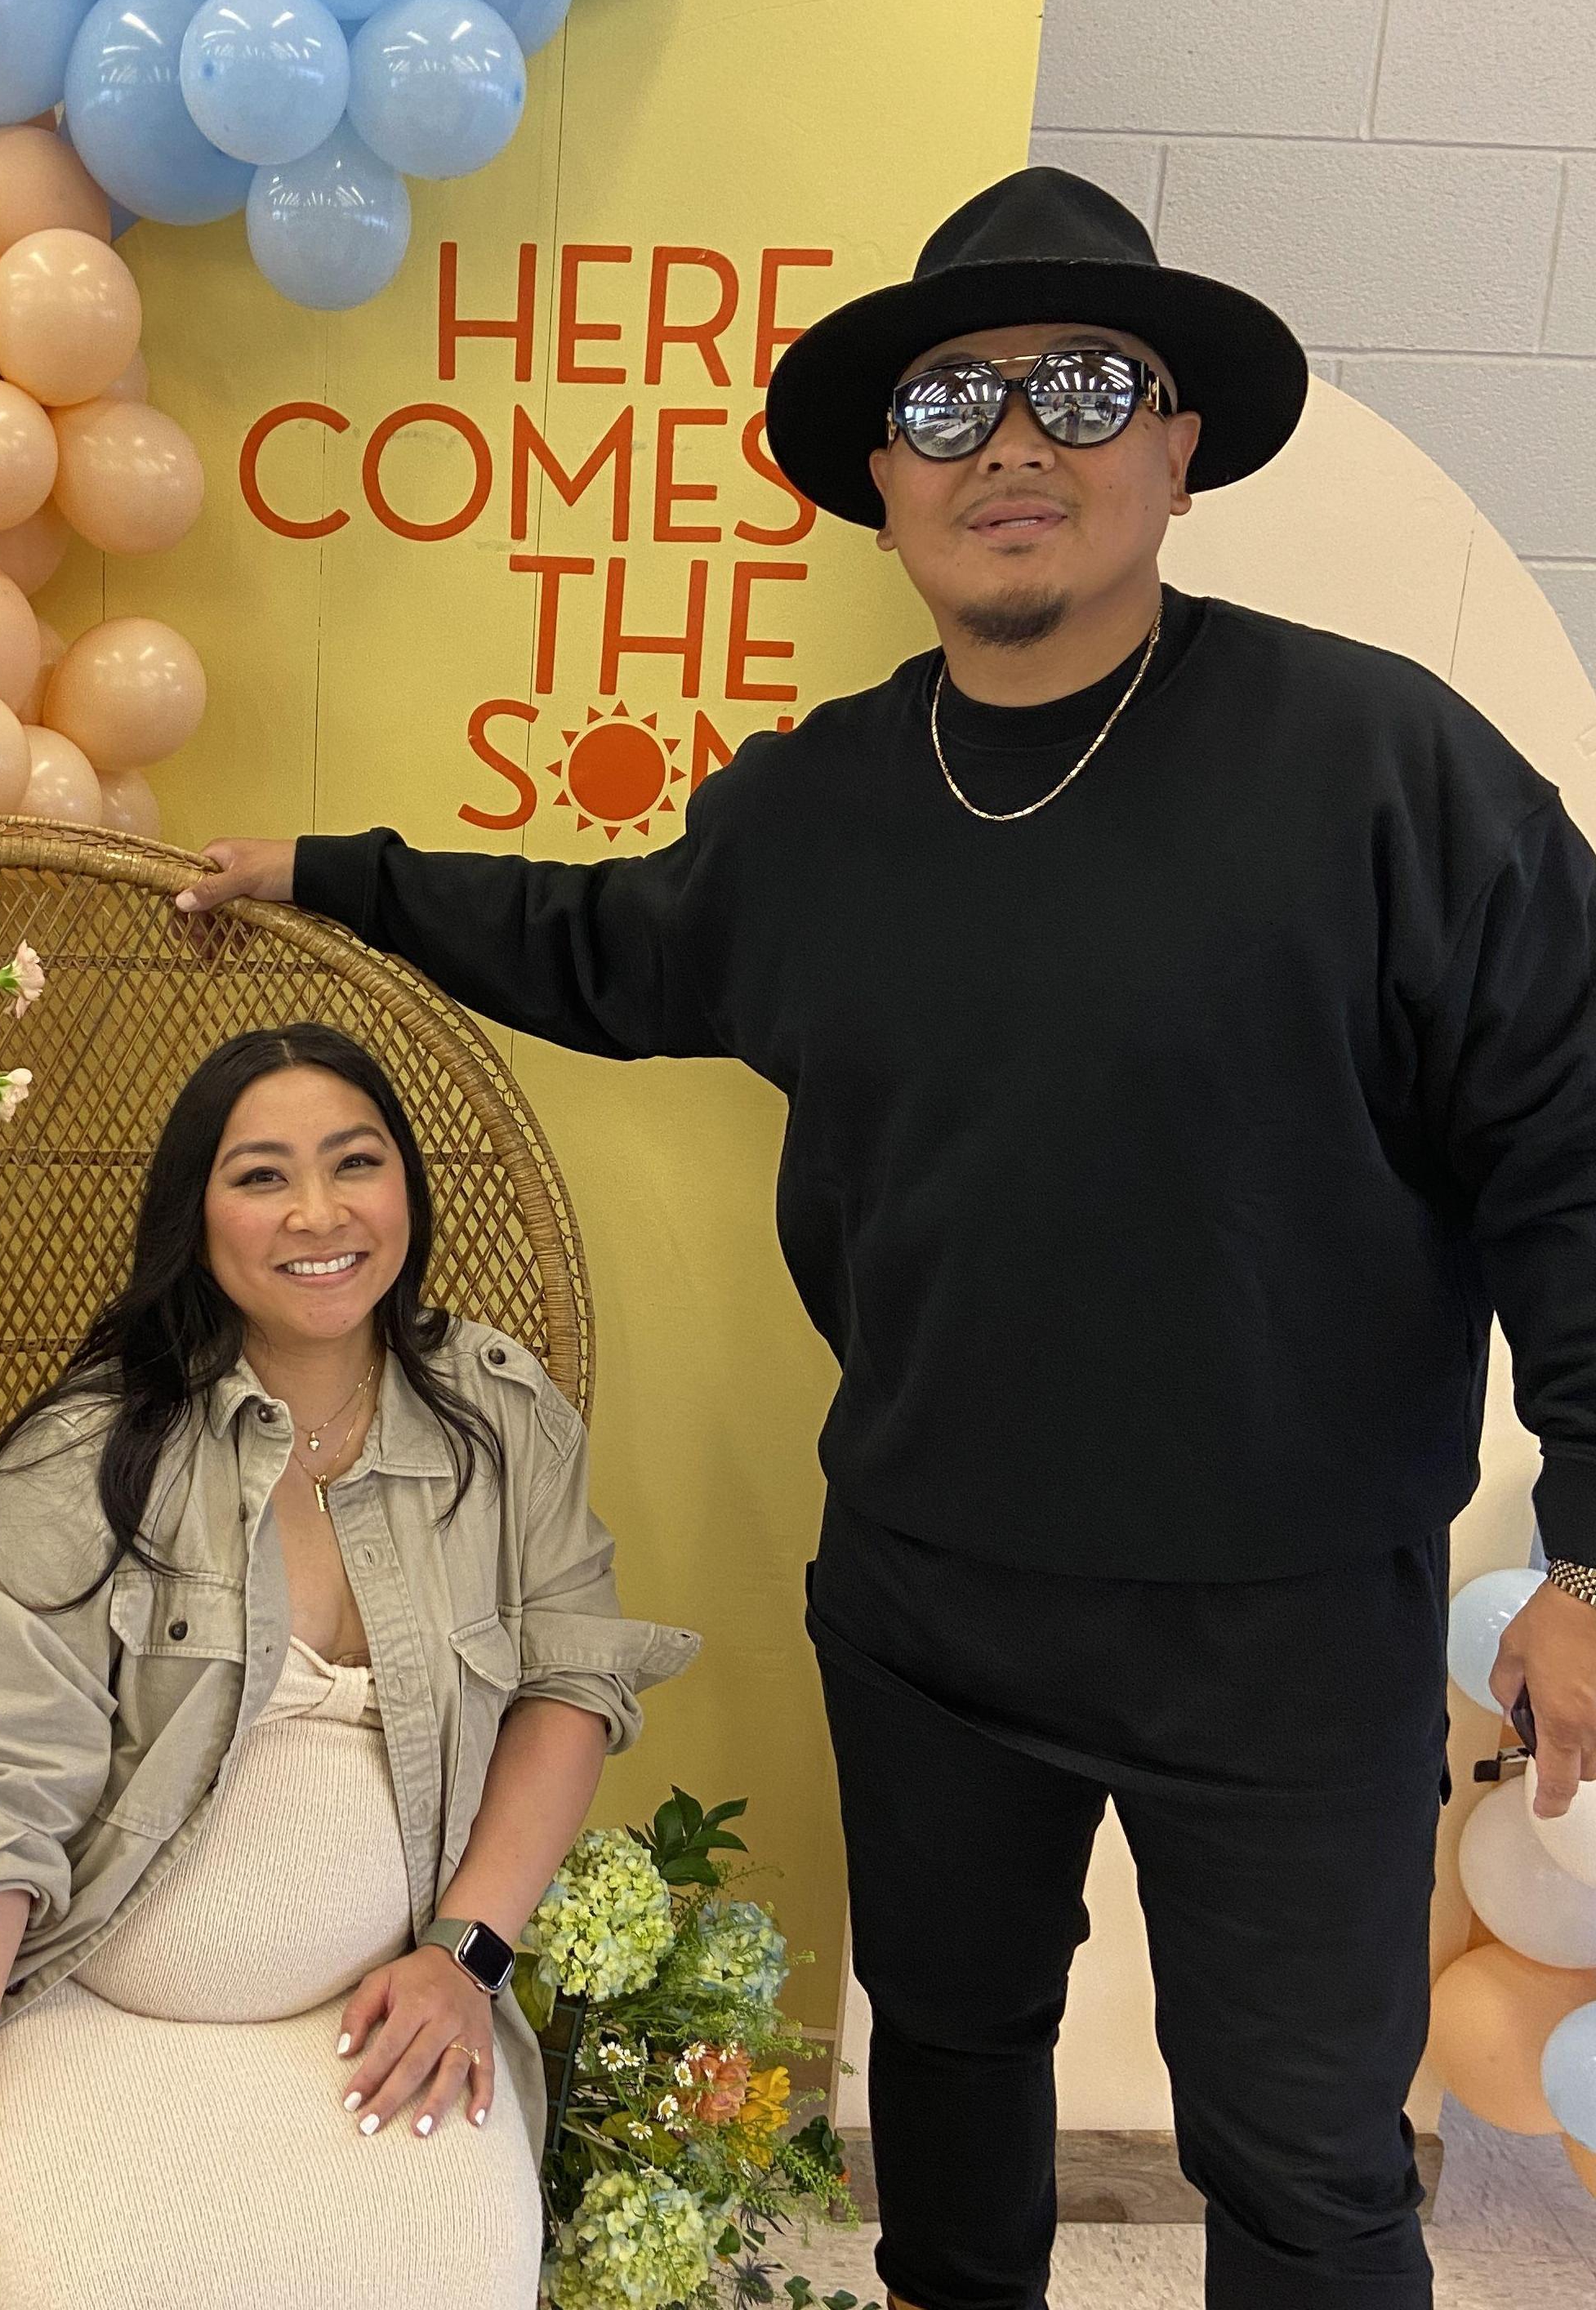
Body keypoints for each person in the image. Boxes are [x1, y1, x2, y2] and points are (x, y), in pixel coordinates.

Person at [176, 167, 1596, 2310]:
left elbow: (1569, 1140)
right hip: (933, 1594)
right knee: (943, 2057)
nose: (1011, 443)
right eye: (949, 403)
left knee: (1303, 2156)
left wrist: (1586, 1551)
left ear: (1177, 444)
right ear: (882, 481)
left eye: (1078, 389)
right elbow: (601, 942)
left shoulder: (1383, 766)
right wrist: (335, 875)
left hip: (1288, 1625)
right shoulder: (817, 807)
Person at [0, 1023, 698, 2310]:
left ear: (408, 1188)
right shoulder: (84, 1459)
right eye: (262, 1175)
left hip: (384, 2020)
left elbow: (570, 1686)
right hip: (81, 2008)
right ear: (199, 1215)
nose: (318, 1213)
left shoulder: (503, 1423)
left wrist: (466, 1958)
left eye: (356, 1162)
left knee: (463, 2280)